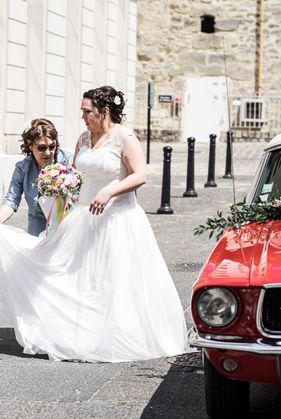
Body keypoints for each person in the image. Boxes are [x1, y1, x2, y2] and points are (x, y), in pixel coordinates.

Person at [0, 86, 190, 362]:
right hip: (82, 217)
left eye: (86, 111)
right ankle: (81, 333)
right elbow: (76, 174)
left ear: (104, 110)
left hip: (118, 218)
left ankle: (117, 335)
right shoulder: (84, 138)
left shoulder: (125, 138)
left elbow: (140, 175)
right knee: (78, 277)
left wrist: (110, 191)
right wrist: (60, 185)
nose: (83, 116)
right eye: (82, 111)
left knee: (115, 279)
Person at [0, 119, 74, 236]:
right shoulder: (22, 168)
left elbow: (78, 193)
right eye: (41, 147)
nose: (48, 152)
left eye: (52, 146)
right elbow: (11, 199)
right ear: (30, 146)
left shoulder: (66, 160)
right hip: (37, 219)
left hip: (65, 218)